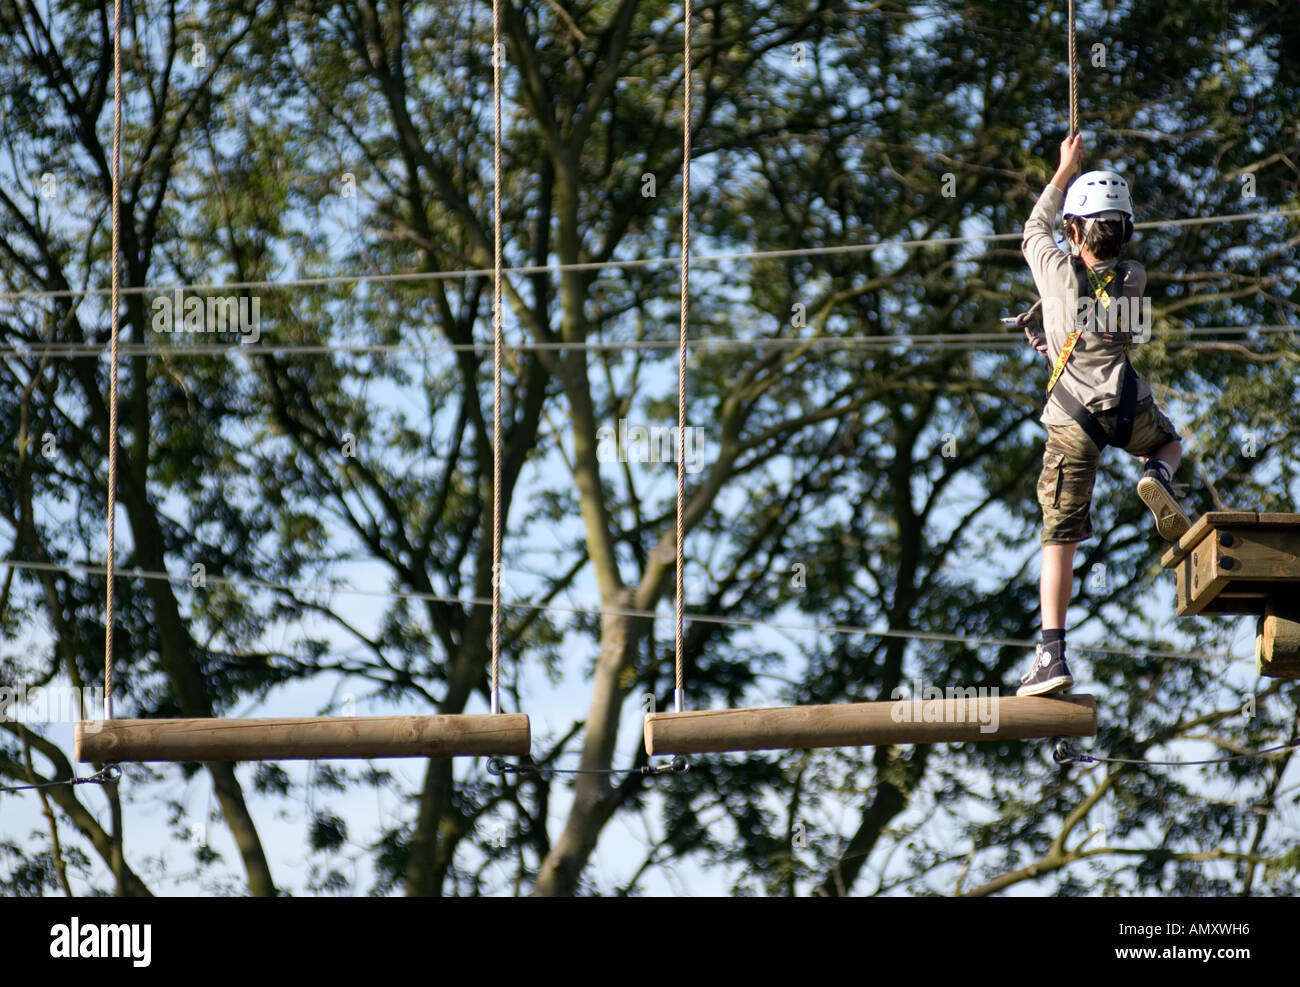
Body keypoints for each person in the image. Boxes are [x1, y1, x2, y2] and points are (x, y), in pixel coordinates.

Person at [1015, 134, 1192, 697]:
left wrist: (1063, 171)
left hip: (1072, 420)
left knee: (1058, 538)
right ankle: (1155, 476)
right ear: (1126, 232)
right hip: (1125, 405)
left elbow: (1030, 233)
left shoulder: (1058, 272)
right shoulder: (1134, 277)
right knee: (1168, 444)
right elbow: (1125, 331)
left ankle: (1051, 655)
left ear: (1073, 231)